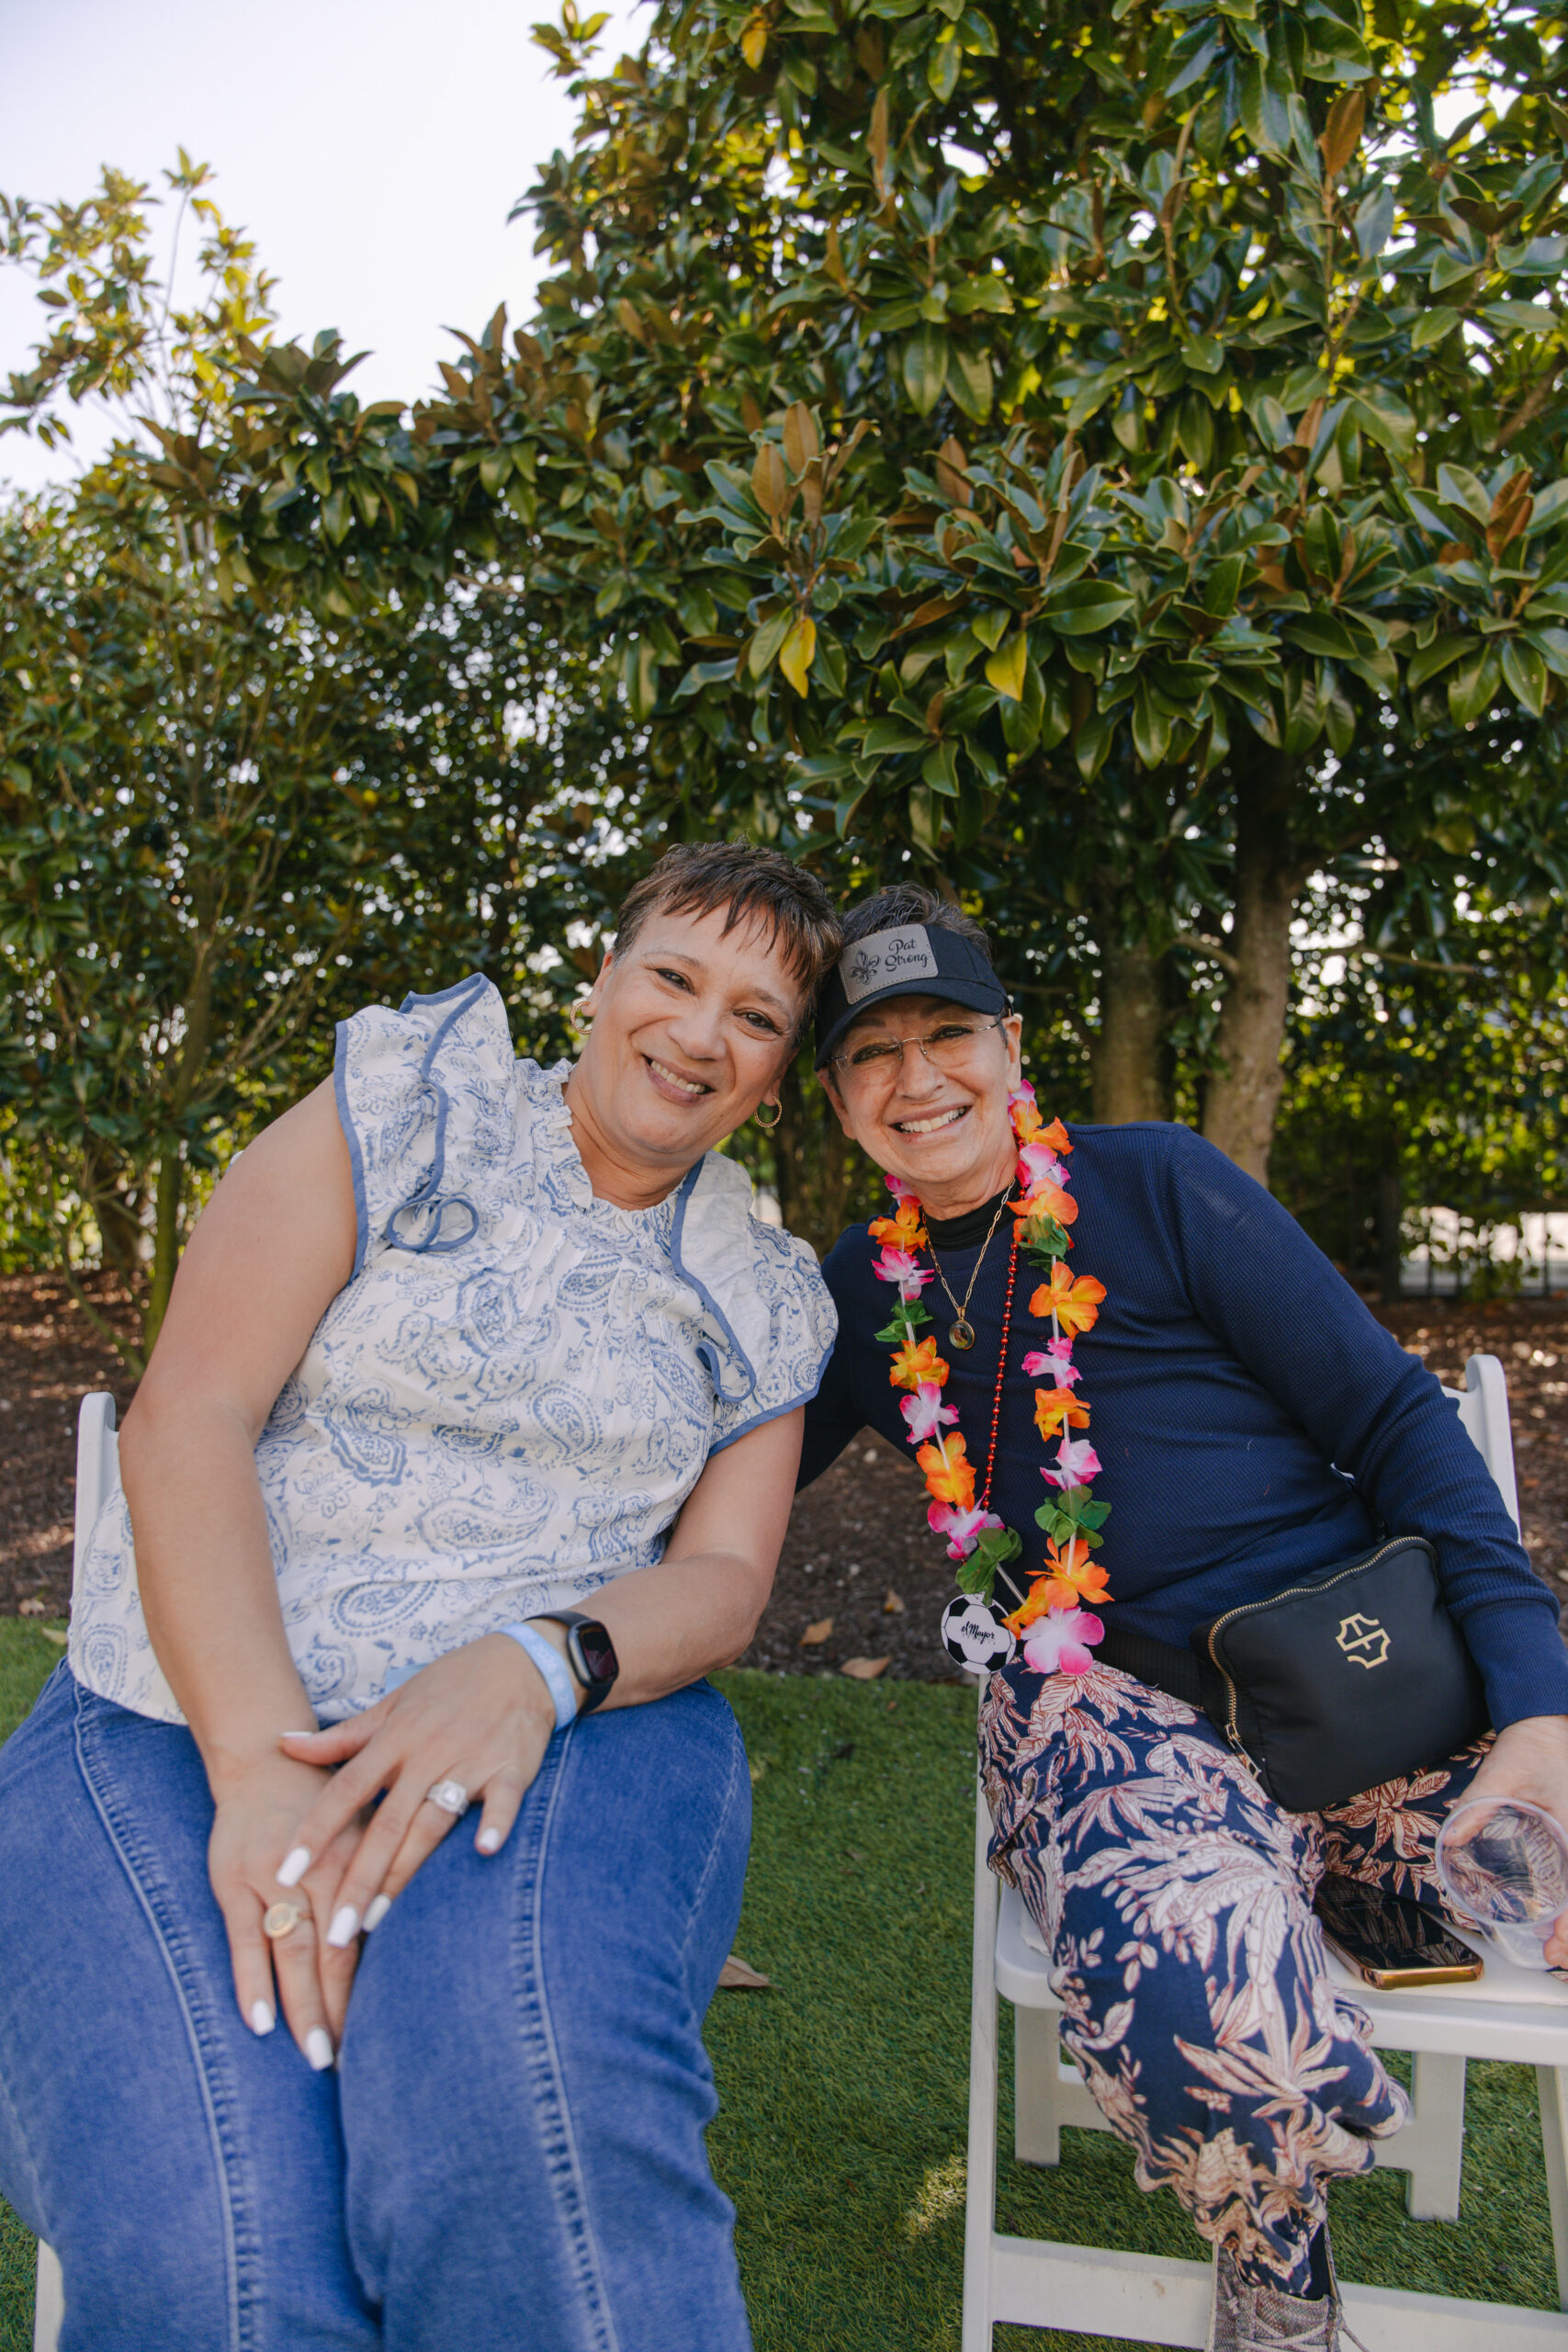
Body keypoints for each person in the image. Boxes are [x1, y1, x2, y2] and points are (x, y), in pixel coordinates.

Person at [0, 842, 840, 2352]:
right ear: (602, 977)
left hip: (567, 1733)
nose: (700, 1032)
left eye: (758, 1015)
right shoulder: (409, 1100)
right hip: (175, 1707)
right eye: (673, 974)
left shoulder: (767, 1291)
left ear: (778, 1073)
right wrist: (261, 1772)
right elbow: (188, 1413)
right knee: (222, 2273)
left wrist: (540, 1662)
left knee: (523, 2127)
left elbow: (724, 1579)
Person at [799, 882, 1568, 2352]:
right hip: (1117, 1726)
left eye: (948, 1032)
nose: (918, 1077)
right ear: (837, 1101)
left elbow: (1401, 1426)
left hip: (1360, 1680)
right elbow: (724, 1490)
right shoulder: (852, 1296)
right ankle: (1283, 2282)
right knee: (1209, 2012)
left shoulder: (1157, 1183)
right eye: (871, 1052)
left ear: (1011, 1046)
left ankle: (1322, 1907)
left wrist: (1540, 1710)